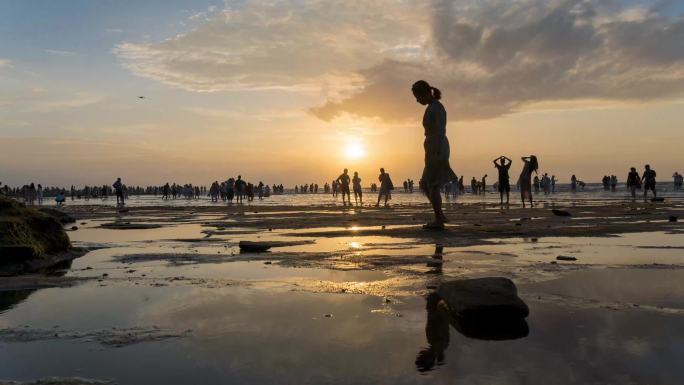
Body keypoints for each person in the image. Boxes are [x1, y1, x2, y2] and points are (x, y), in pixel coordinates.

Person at [412, 80, 456, 229]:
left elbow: (438, 130)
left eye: (417, 97)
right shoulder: (432, 107)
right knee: (426, 184)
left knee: (433, 184)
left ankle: (438, 221)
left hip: (437, 146)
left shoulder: (436, 108)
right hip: (433, 146)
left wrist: (436, 152)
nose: (417, 100)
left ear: (424, 93)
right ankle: (440, 215)